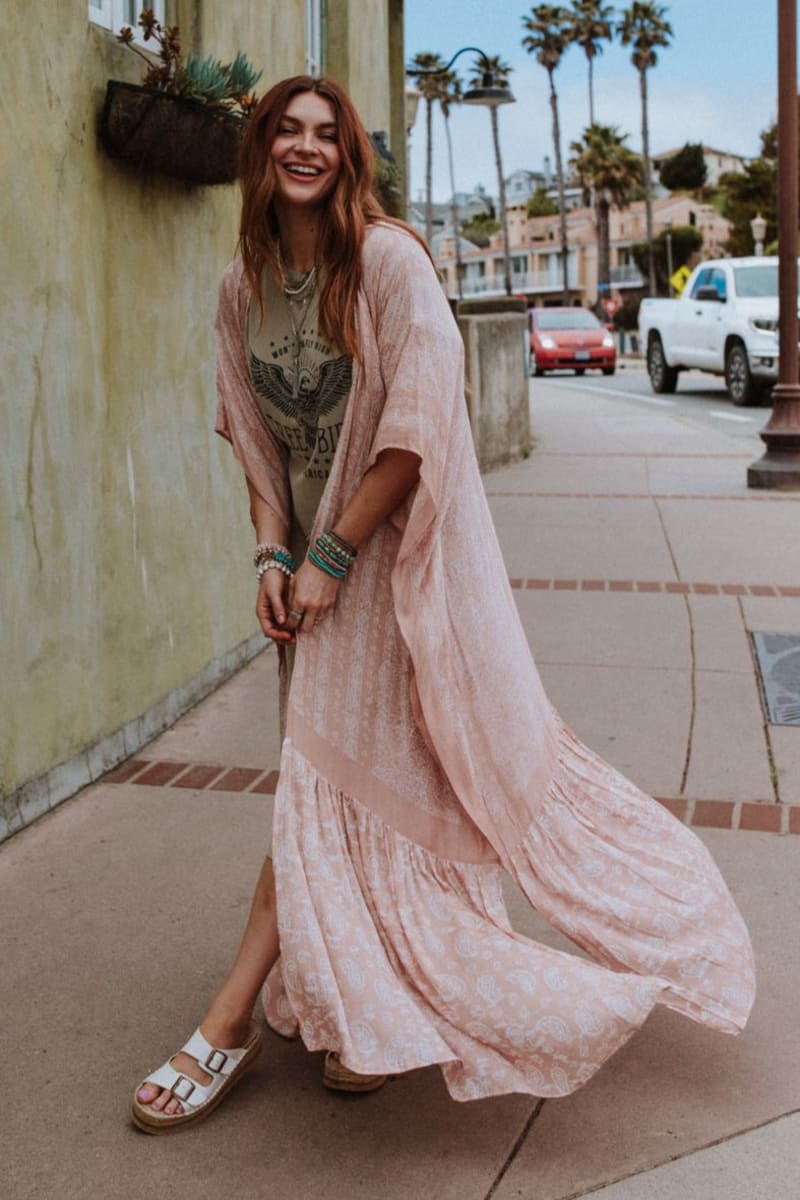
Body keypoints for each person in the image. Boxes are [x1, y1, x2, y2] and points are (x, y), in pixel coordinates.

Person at [131, 76, 755, 1134]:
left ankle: (227, 1023)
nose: (305, 148)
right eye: (286, 130)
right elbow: (255, 440)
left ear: (350, 156)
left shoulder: (388, 262)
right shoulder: (241, 287)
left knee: (324, 784)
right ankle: (367, 1014)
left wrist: (332, 554)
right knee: (346, 788)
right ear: (260, 149)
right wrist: (271, 555)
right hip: (309, 575)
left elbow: (418, 424)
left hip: (395, 565)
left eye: (326, 135)